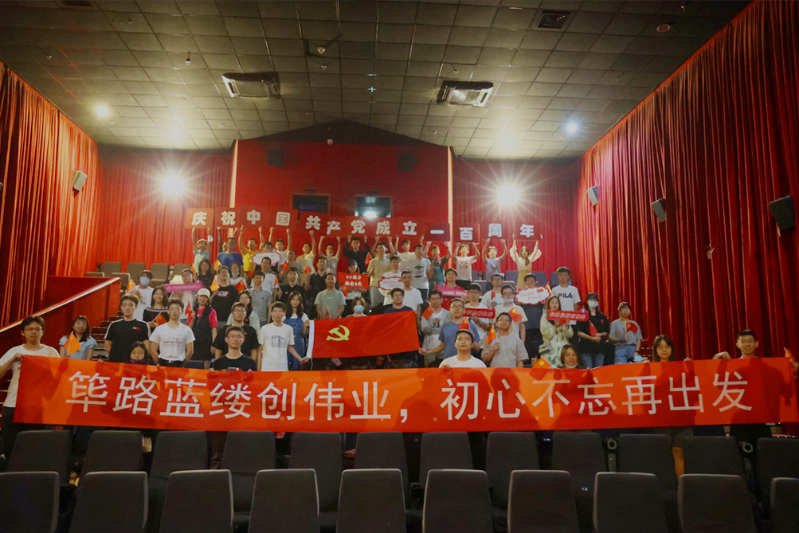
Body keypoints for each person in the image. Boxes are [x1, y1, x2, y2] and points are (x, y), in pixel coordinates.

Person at [0, 316, 61, 460]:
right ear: (23, 332)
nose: (33, 332)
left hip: (38, 406)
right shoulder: (14, 351)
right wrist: (12, 360)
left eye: (37, 329)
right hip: (13, 403)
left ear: (42, 332)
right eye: (29, 329)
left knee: (33, 447)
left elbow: (59, 379)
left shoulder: (51, 352)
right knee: (10, 445)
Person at [258, 302, 306, 371]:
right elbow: (260, 349)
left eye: (280, 311)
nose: (277, 314)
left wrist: (300, 359)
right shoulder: (265, 328)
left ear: (284, 313)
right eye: (275, 311)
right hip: (267, 366)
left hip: (282, 366)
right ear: (271, 313)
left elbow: (289, 347)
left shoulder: (288, 329)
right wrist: (259, 368)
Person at [149, 299, 195, 367]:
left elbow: (190, 351)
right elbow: (152, 349)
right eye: (172, 309)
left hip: (179, 363)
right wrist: (158, 363)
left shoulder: (187, 330)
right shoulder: (159, 329)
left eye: (177, 309)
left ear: (182, 312)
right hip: (163, 363)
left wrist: (182, 363)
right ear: (168, 311)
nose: (174, 311)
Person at [105, 295, 151, 363]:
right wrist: (116, 355)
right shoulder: (114, 325)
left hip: (135, 363)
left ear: (136, 307)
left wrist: (136, 357)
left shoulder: (143, 325)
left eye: (130, 305)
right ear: (121, 307)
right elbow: (107, 346)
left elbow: (146, 346)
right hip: (116, 362)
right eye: (124, 305)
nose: (127, 308)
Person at [574, 292, 611, 369]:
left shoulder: (602, 316)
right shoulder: (582, 315)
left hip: (600, 348)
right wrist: (591, 338)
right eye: (591, 300)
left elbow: (607, 331)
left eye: (595, 300)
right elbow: (579, 332)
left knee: (598, 371)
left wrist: (600, 334)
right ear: (587, 301)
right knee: (589, 371)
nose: (593, 302)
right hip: (586, 348)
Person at [538, 295, 574, 366]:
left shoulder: (563, 316)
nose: (554, 304)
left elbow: (570, 335)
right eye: (552, 302)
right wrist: (555, 326)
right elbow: (546, 334)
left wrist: (568, 326)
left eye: (556, 303)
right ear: (549, 304)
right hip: (550, 349)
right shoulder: (544, 317)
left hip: (563, 348)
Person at [189, 288, 218, 369]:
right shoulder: (192, 311)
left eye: (205, 297)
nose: (202, 299)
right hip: (193, 343)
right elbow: (188, 329)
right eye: (201, 296)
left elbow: (214, 329)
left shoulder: (212, 311)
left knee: (206, 367)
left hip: (206, 343)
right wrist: (192, 318)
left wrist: (214, 344)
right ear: (197, 298)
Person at [420, 290, 451, 364]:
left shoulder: (447, 313)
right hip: (429, 343)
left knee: (443, 365)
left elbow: (448, 329)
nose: (435, 301)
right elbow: (423, 330)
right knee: (429, 365)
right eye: (433, 299)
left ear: (441, 299)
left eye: (437, 298)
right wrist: (432, 324)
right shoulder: (426, 313)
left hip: (444, 344)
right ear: (429, 300)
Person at [517, 273, 544, 358]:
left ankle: (538, 363)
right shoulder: (521, 294)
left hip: (539, 324)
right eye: (528, 280)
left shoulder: (541, 292)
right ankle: (527, 363)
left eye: (532, 280)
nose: (530, 282)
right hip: (526, 324)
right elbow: (518, 307)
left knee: (539, 347)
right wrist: (518, 301)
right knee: (527, 346)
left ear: (536, 282)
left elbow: (545, 306)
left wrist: (545, 300)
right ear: (525, 282)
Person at [285, 292, 309, 371]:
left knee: (298, 364)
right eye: (293, 299)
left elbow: (305, 333)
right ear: (289, 301)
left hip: (299, 343)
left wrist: (306, 327)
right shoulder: (284, 314)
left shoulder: (303, 316)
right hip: (286, 342)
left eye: (297, 300)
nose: (295, 302)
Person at [366, 242, 391, 311]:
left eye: (382, 248)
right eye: (379, 248)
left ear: (386, 249)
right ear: (376, 249)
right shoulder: (372, 261)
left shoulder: (389, 262)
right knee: (374, 305)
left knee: (385, 305)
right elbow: (368, 275)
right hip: (375, 285)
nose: (381, 249)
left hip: (385, 286)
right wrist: (372, 270)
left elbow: (390, 274)